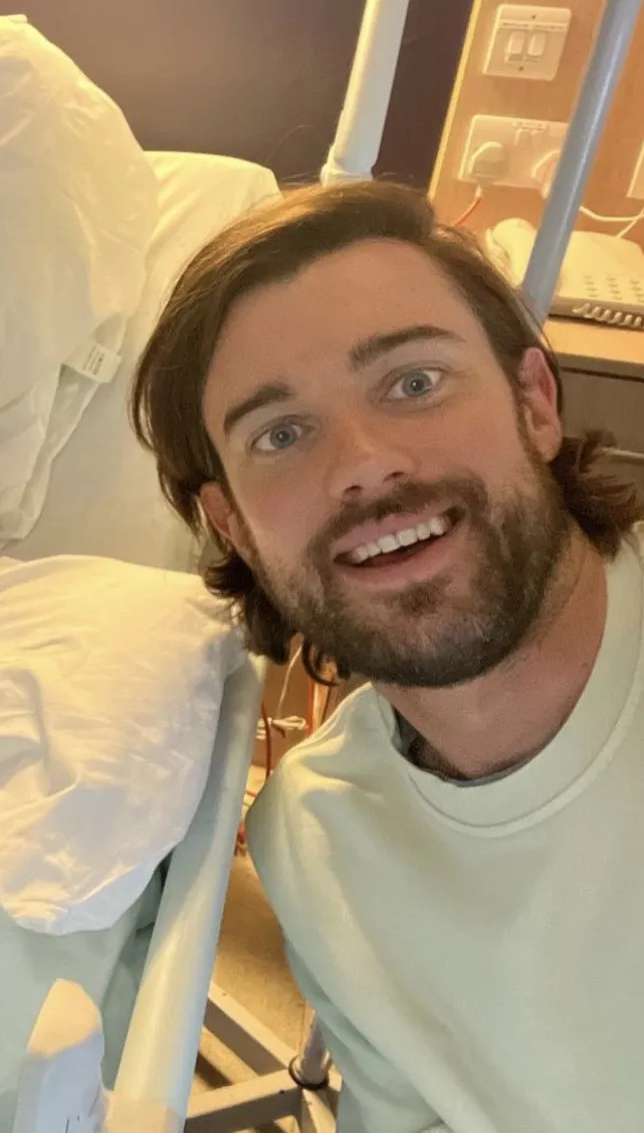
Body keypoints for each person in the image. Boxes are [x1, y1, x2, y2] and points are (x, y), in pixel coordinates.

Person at [132, 180, 644, 1131]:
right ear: (234, 526)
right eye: (282, 434)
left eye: (414, 382)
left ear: (535, 401)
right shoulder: (318, 840)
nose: (364, 462)